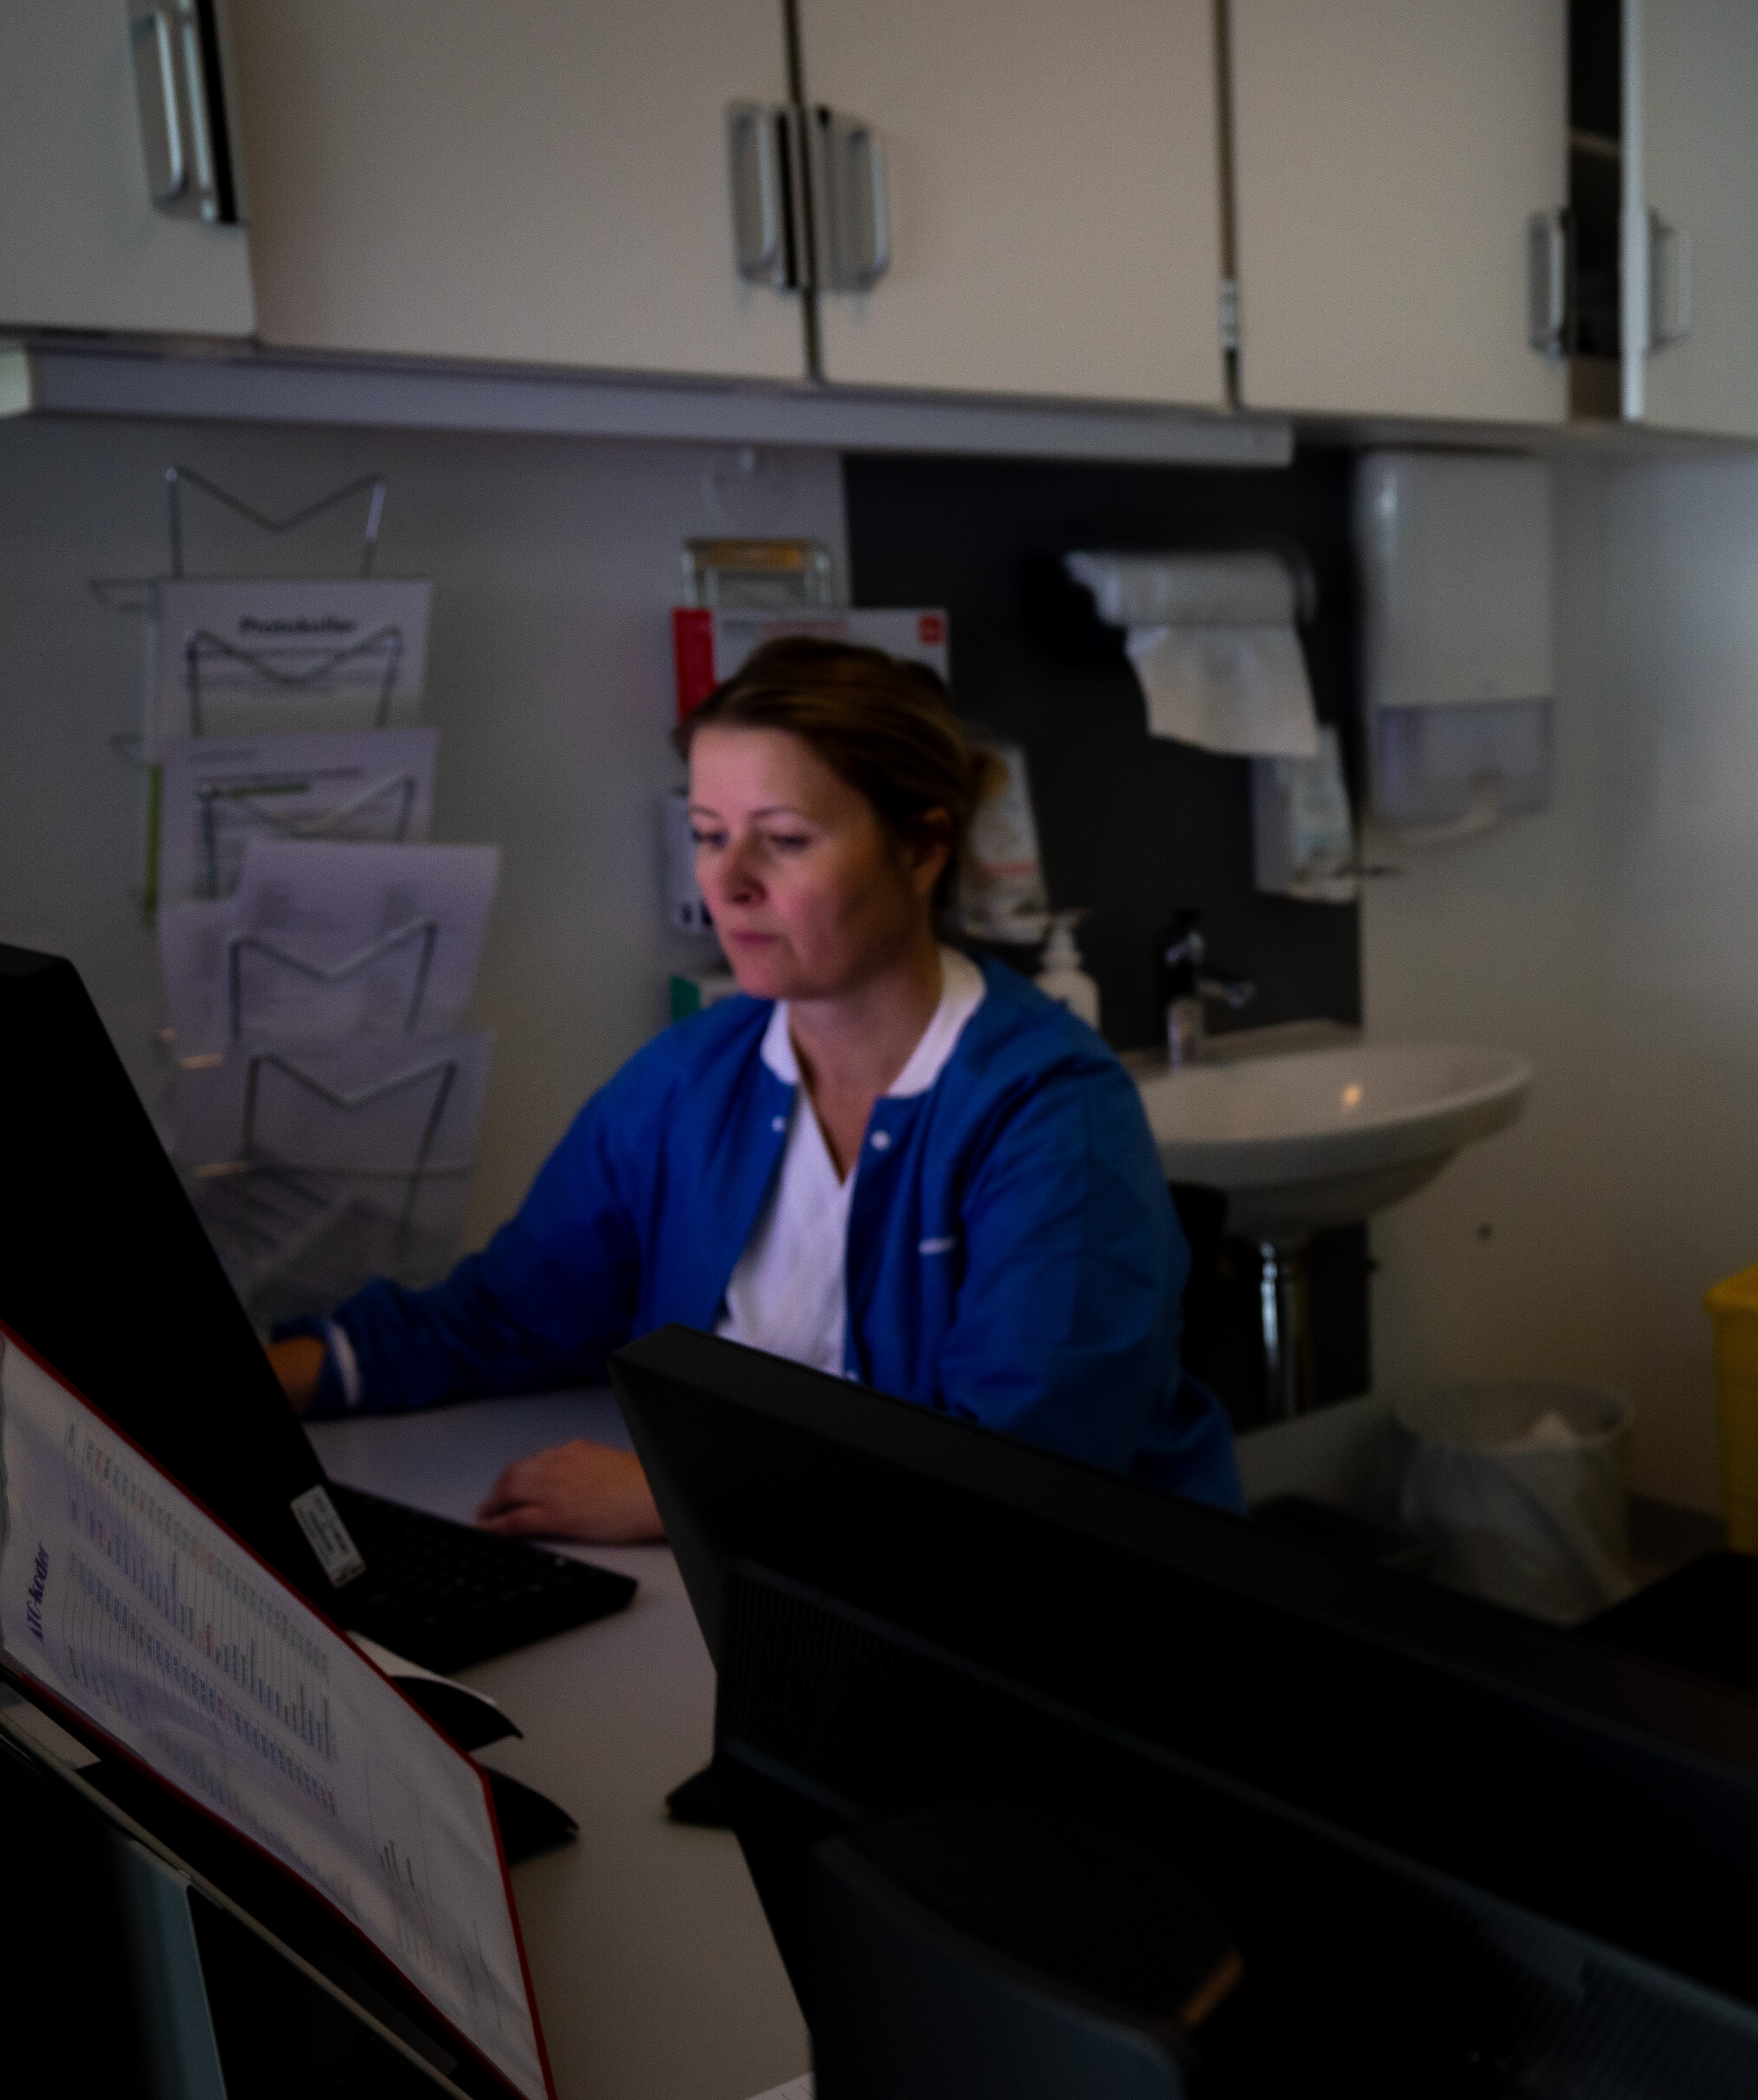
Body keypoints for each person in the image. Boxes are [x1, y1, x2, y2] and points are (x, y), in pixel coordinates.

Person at [268, 635, 1241, 1535]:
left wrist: (675, 1493)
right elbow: (507, 1316)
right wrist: (267, 1379)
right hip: (775, 1587)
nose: (726, 882)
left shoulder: (1051, 1116)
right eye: (706, 832)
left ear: (920, 847)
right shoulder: (692, 1079)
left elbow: (1014, 1483)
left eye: (782, 839)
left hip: (1059, 1640)